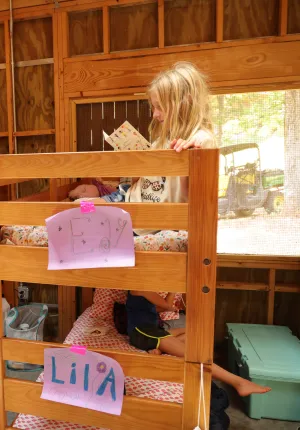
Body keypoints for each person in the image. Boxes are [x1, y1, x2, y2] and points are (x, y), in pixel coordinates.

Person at [126, 290, 271, 397]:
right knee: (192, 354)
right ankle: (238, 382)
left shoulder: (143, 291)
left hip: (152, 331)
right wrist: (174, 289)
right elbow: (167, 305)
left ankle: (159, 349)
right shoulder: (140, 288)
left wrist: (170, 305)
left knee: (193, 333)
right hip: (142, 332)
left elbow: (157, 308)